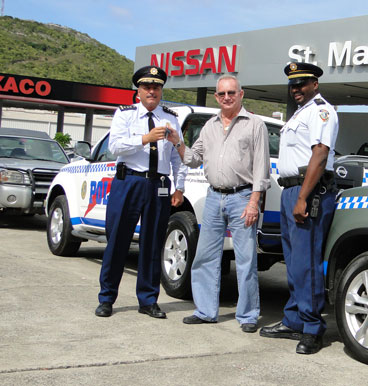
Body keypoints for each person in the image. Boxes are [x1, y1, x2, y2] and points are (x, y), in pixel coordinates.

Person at [167, 74, 270, 333]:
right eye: (222, 93)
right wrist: (177, 142)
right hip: (214, 197)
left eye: (231, 92)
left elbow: (261, 168)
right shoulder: (209, 126)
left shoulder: (255, 125)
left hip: (242, 197)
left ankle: (248, 315)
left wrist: (254, 202)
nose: (227, 97)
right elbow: (192, 159)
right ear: (216, 97)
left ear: (241, 94)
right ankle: (205, 311)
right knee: (204, 257)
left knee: (246, 260)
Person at [95, 65, 186, 319]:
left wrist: (179, 187)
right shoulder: (125, 114)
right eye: (147, 87)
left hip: (158, 185)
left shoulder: (171, 118)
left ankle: (148, 300)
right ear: (138, 91)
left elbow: (177, 156)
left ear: (161, 90)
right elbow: (115, 147)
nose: (151, 91)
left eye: (156, 87)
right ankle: (106, 298)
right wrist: (145, 139)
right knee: (117, 241)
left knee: (153, 243)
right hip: (129, 182)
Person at [260, 62, 338, 355]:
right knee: (293, 262)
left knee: (306, 263)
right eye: (292, 85)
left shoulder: (321, 111)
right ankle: (294, 320)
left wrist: (303, 197)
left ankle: (312, 328)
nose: (296, 89)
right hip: (291, 189)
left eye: (302, 84)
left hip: (309, 190)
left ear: (315, 84)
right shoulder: (300, 114)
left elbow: (320, 153)